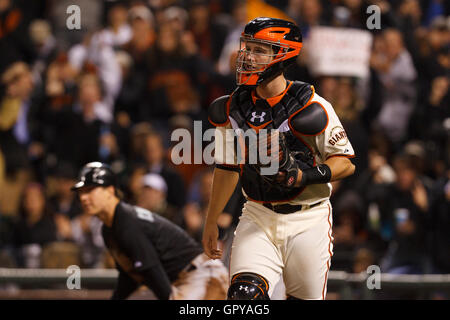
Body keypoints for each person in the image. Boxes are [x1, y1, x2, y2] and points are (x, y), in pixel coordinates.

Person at [203, 17, 356, 300]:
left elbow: (345, 162)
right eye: (246, 47)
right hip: (258, 214)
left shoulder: (313, 105)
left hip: (309, 218)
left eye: (259, 49)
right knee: (243, 297)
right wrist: (212, 218)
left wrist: (304, 175)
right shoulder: (232, 107)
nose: (247, 56)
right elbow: (226, 166)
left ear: (282, 55)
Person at [71, 161, 228, 300]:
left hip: (202, 275)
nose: (84, 197)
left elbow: (151, 269)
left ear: (110, 191)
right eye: (81, 192)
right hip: (186, 278)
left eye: (90, 190)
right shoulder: (110, 229)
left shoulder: (126, 222)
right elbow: (130, 276)